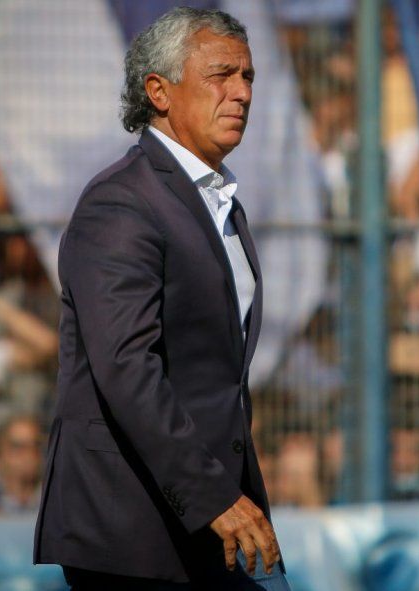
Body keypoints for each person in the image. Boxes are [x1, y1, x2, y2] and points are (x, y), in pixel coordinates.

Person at [33, 8, 288, 590]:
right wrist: (213, 496)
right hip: (135, 532)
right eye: (221, 75)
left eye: (248, 77)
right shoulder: (121, 202)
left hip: (210, 521)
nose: (242, 92)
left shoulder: (217, 202)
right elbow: (126, 368)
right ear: (159, 91)